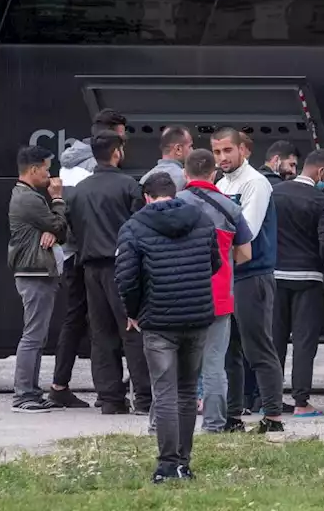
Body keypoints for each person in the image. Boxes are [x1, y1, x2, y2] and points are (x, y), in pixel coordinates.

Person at [115, 172, 221, 484]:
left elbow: (126, 277)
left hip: (158, 320)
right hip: (198, 316)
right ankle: (183, 464)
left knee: (165, 393)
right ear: (174, 194)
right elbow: (214, 263)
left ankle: (165, 465)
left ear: (147, 197)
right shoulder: (202, 220)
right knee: (188, 391)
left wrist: (133, 312)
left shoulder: (133, 227)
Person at [67, 130, 150, 414]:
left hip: (90, 268)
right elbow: (142, 228)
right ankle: (144, 397)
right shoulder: (129, 186)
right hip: (123, 266)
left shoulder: (78, 190)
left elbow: (72, 231)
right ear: (117, 152)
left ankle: (111, 398)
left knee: (101, 335)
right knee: (133, 329)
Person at [51, 108, 126, 409]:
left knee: (79, 317)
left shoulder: (70, 160)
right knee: (102, 321)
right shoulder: (92, 165)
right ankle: (80, 386)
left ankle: (65, 383)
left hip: (74, 251)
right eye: (121, 135)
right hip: (88, 252)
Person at [212, 127, 284, 433]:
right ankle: (233, 416)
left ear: (245, 150)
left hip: (252, 275)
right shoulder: (221, 182)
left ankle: (273, 418)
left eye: (228, 150)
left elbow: (248, 232)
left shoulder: (257, 182)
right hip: (228, 274)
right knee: (230, 351)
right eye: (217, 152)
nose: (222, 157)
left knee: (258, 348)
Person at [178, 149, 252, 434]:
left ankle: (170, 423)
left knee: (176, 365)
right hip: (218, 297)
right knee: (214, 366)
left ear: (186, 174)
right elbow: (246, 252)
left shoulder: (173, 204)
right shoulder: (229, 207)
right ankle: (214, 425)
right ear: (214, 174)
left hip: (180, 296)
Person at [271, 148, 324, 419]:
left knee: (274, 341)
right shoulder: (322, 201)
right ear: (321, 171)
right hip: (309, 278)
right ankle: (301, 402)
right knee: (304, 342)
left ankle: (271, 401)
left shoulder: (275, 193)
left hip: (275, 276)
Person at [8, 145, 69, 413]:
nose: (49, 174)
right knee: (33, 336)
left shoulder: (27, 197)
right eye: (45, 168)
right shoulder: (29, 199)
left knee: (37, 335)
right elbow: (58, 225)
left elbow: (53, 230)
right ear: (33, 170)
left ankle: (31, 391)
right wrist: (57, 200)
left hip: (35, 272)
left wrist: (52, 232)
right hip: (34, 273)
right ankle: (23, 395)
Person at [139, 126, 192, 191]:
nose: (192, 150)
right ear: (178, 149)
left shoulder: (144, 179)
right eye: (190, 146)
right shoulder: (186, 178)